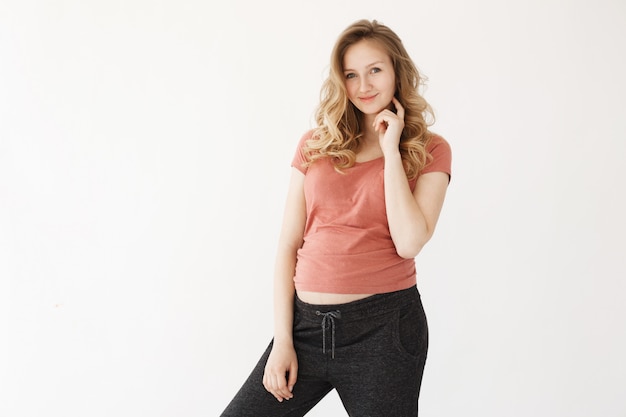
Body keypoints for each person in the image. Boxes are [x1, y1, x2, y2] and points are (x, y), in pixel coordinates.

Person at [220, 18, 452, 417]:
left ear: (398, 70)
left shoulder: (430, 149)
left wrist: (392, 150)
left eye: (375, 70)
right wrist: (283, 340)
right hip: (305, 329)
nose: (364, 86)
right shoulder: (315, 145)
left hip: (384, 332)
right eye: (351, 74)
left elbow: (410, 241)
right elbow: (289, 244)